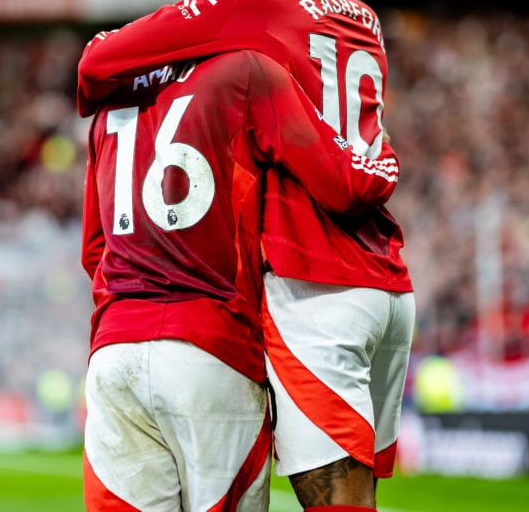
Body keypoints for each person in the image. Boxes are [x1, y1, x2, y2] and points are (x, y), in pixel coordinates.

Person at [77, 0, 415, 510]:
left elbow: (96, 66)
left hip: (311, 275)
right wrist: (384, 165)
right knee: (357, 490)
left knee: (336, 499)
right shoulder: (363, 18)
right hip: (387, 277)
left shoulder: (246, 2)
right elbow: (357, 161)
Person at [80, 49, 401, 511]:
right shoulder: (246, 72)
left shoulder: (112, 97)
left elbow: (95, 249)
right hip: (213, 344)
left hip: (114, 351)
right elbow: (345, 184)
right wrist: (380, 150)